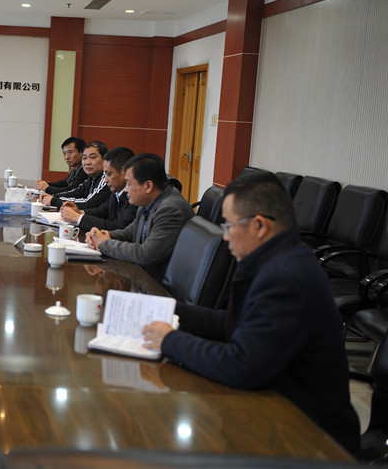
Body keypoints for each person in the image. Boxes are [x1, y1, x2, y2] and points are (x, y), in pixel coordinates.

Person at [141, 172, 360, 454]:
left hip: (308, 437)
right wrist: (173, 311)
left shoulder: (283, 277)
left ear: (259, 225)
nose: (225, 235)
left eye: (229, 225)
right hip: (276, 411)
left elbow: (241, 365)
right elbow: (237, 324)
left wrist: (170, 340)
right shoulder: (277, 258)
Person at [85, 153, 193, 280]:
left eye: (129, 184)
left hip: (157, 284)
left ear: (148, 186)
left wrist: (104, 244)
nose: (125, 190)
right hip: (143, 275)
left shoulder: (170, 210)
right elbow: (129, 233)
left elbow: (146, 254)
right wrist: (102, 235)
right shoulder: (149, 200)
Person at [60, 146, 137, 231]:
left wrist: (78, 218)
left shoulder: (135, 198)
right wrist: (80, 212)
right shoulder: (116, 191)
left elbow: (117, 226)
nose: (105, 180)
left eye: (109, 174)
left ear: (124, 172)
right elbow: (101, 211)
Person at [40, 141, 110, 211]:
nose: (87, 162)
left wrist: (54, 200)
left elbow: (89, 204)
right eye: (84, 158)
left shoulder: (107, 179)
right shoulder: (91, 178)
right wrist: (53, 196)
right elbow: (76, 192)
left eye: (92, 157)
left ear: (105, 160)